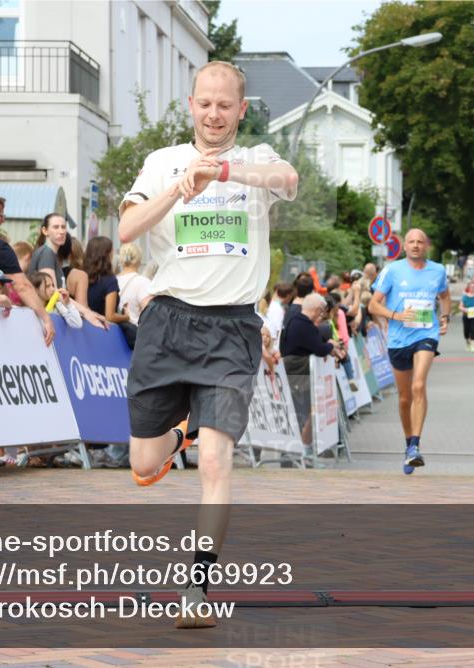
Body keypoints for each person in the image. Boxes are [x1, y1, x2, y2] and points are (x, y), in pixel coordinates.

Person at [118, 60, 298, 628]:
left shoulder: (258, 159)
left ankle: (196, 588)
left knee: (217, 463)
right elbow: (126, 231)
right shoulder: (161, 161)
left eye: (226, 105)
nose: (215, 114)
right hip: (167, 322)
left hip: (231, 330)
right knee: (144, 466)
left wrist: (222, 175)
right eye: (205, 103)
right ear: (190, 105)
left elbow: (288, 182)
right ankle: (181, 432)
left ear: (241, 110)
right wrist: (181, 184)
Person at [0, 192, 105, 344]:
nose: (3, 220)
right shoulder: (0, 248)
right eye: (1, 216)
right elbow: (22, 286)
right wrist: (46, 319)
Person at [367, 228, 451, 474]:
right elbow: (373, 304)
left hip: (426, 334)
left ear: (427, 246)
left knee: (418, 386)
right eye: (411, 242)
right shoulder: (392, 270)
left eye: (420, 242)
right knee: (404, 398)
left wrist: (445, 317)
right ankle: (408, 446)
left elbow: (445, 297)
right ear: (405, 246)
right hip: (398, 339)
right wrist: (396, 315)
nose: (416, 245)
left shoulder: (437, 271)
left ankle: (416, 444)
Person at [280, 293, 344, 446]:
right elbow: (319, 349)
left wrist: (327, 344)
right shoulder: (304, 324)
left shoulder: (295, 320)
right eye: (322, 311)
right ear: (316, 310)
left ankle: (303, 447)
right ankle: (303, 447)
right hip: (300, 376)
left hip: (296, 374)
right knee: (306, 413)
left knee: (304, 413)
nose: (322, 316)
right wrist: (330, 345)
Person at [116, 243, 152, 326]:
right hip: (135, 333)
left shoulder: (113, 281)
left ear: (121, 260)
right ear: (139, 260)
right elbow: (149, 314)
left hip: (116, 333)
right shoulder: (143, 282)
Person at [29, 213, 67, 288]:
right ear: (45, 231)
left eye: (63, 227)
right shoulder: (47, 254)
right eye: (56, 227)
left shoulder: (49, 253)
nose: (61, 231)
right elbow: (51, 293)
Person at [459, 280, 474, 353]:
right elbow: (460, 307)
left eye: (473, 287)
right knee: (466, 331)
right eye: (470, 287)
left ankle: (473, 346)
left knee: (473, 329)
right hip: (466, 315)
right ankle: (468, 343)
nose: (472, 288)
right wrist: (465, 309)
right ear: (468, 288)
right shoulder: (465, 297)